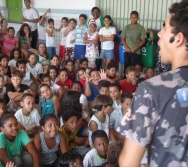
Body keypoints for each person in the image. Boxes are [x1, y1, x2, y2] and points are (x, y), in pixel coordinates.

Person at [119, 0, 188, 166]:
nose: (159, 34)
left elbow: (129, 162)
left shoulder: (152, 90)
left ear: (178, 39)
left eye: (164, 28)